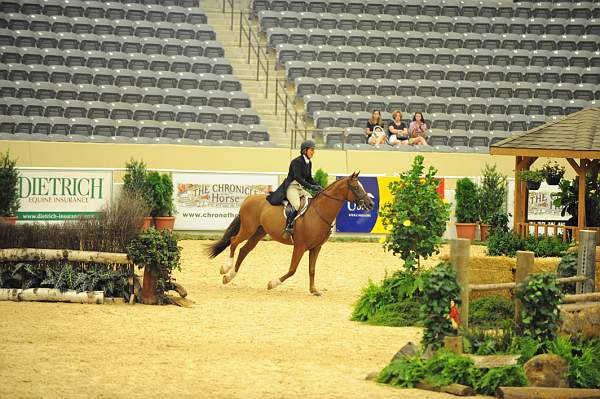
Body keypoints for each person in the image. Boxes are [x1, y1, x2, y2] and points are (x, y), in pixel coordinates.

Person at [266, 140, 323, 235]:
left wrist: (317, 186)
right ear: (305, 150)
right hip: (291, 187)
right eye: (311, 150)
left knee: (311, 202)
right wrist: (310, 186)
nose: (313, 152)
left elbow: (308, 178)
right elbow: (298, 177)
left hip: (300, 188)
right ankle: (289, 226)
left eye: (314, 150)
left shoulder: (309, 162)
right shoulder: (296, 161)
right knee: (297, 206)